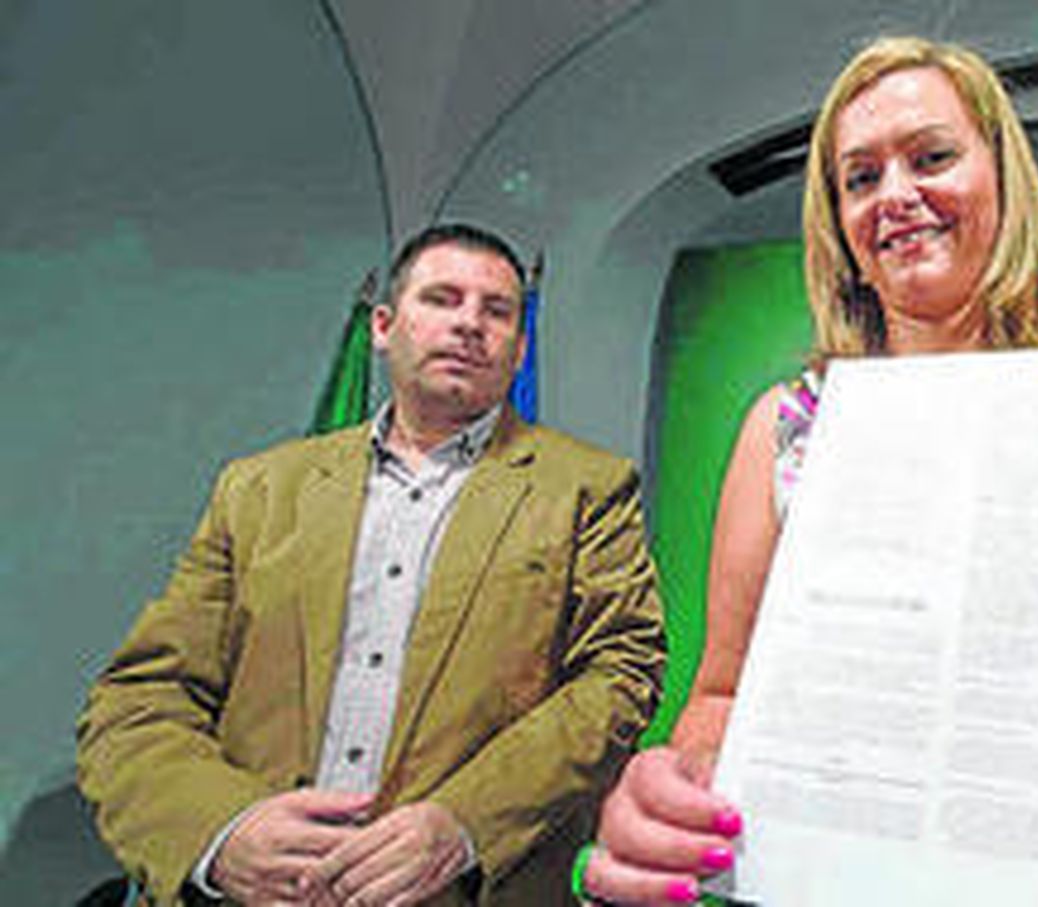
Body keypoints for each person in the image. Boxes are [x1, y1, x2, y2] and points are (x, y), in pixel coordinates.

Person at [579, 37, 1038, 907]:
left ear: (1003, 179)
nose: (895, 195)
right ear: (841, 227)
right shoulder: (788, 429)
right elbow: (721, 694)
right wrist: (689, 779)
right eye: (861, 178)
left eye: (931, 157)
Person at [77, 223, 667, 906]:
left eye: (497, 310)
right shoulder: (259, 489)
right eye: (441, 299)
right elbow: (140, 697)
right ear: (383, 327)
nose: (469, 323)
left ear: (519, 348)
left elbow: (619, 676)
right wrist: (221, 831)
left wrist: (465, 824)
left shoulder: (586, 488)